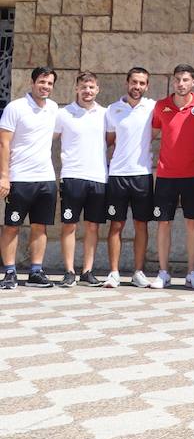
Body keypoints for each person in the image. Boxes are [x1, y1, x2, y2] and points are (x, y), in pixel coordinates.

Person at [0, 67, 60, 289]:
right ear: (32, 82)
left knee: (40, 226)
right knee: (11, 226)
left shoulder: (54, 108)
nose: (45, 86)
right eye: (42, 82)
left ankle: (36, 271)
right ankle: (9, 272)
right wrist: (4, 177)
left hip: (45, 178)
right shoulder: (15, 107)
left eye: (50, 83)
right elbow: (4, 143)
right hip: (19, 179)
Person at [152, 64, 194, 290]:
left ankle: (192, 272)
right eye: (177, 80)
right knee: (163, 223)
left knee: (193, 223)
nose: (181, 84)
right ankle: (163, 272)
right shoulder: (161, 106)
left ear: (193, 82)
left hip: (193, 174)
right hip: (165, 174)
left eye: (185, 80)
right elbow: (152, 133)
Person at [104, 67, 157, 288]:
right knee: (116, 224)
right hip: (118, 175)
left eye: (142, 83)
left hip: (142, 175)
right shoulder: (112, 110)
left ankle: (138, 272)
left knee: (141, 225)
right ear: (127, 83)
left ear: (147, 86)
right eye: (134, 82)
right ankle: (114, 272)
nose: (137, 87)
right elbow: (109, 140)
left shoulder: (153, 107)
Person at [55, 72, 108, 287]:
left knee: (93, 226)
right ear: (76, 88)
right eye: (84, 87)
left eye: (91, 87)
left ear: (97, 89)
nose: (88, 91)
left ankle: (87, 270)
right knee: (69, 225)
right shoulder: (63, 113)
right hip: (72, 177)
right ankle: (69, 271)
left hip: (98, 177)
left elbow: (111, 141)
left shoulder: (105, 114)